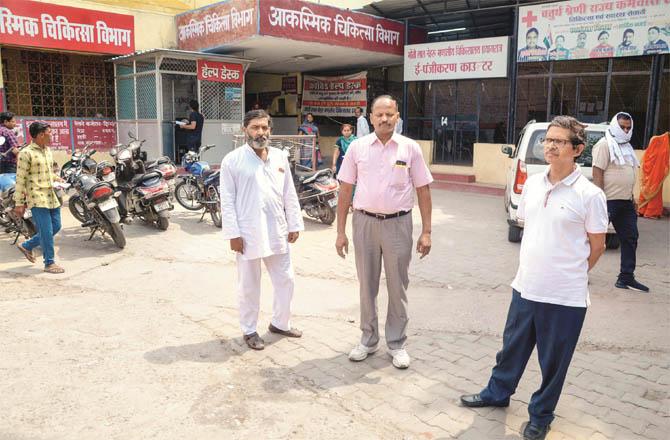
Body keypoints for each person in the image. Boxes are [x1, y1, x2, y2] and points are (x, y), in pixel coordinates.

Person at [460, 116, 609, 440]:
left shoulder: (590, 194)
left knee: (553, 365)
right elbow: (529, 228)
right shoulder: (533, 184)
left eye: (559, 141)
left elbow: (598, 246)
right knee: (510, 349)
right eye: (548, 140)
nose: (551, 145)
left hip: (565, 298)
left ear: (577, 149)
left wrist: (570, 274)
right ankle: (497, 393)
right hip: (526, 288)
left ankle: (541, 415)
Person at [335, 95, 433, 370]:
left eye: (389, 114)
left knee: (397, 285)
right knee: (367, 284)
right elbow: (345, 190)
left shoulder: (410, 148)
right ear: (370, 117)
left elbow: (423, 189)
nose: (384, 119)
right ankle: (368, 339)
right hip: (364, 223)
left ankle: (397, 343)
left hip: (399, 224)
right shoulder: (357, 148)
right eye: (379, 114)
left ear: (397, 116)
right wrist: (340, 232)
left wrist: (427, 231)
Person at [220, 109, 304, 350]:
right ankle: (249, 330)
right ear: (244, 130)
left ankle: (280, 323)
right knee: (249, 285)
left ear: (270, 130)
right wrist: (233, 234)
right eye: (255, 127)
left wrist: (294, 223)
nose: (260, 132)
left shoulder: (279, 157)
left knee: (286, 279)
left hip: (277, 229)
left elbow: (289, 192)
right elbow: (226, 199)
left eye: (264, 128)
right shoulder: (232, 160)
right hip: (248, 233)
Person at [592, 112, 649, 292]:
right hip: (607, 201)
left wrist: (632, 198)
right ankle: (576, 273)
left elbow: (629, 174)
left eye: (628, 127)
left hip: (625, 203)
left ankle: (626, 277)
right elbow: (597, 172)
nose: (625, 130)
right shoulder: (604, 145)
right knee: (592, 239)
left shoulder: (627, 147)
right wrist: (600, 200)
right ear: (614, 126)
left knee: (630, 238)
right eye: (622, 127)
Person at [14, 122, 66, 274]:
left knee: (56, 226)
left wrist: (58, 178)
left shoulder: (48, 151)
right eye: (50, 132)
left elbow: (48, 172)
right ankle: (49, 262)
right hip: (36, 196)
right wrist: (19, 203)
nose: (52, 135)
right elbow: (20, 179)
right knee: (46, 230)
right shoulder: (26, 153)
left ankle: (27, 245)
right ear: (41, 135)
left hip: (51, 195)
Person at [638, 132, 670, 219]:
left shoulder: (664, 141)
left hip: (657, 170)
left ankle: (645, 211)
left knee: (654, 188)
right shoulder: (657, 139)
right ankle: (649, 212)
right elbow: (649, 155)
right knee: (652, 188)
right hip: (652, 169)